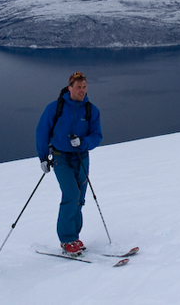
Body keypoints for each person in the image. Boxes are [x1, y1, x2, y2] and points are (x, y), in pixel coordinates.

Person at [35, 71, 103, 256]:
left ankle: (74, 236)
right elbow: (42, 131)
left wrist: (83, 142)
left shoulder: (90, 110)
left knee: (79, 198)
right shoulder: (55, 108)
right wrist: (43, 157)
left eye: (84, 87)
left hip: (81, 157)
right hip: (61, 157)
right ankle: (66, 240)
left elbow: (97, 136)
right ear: (70, 87)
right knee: (71, 194)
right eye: (78, 87)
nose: (82, 91)